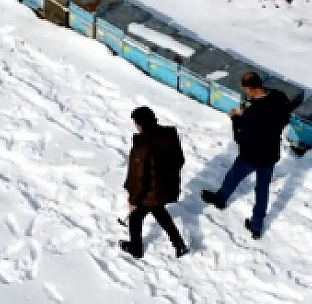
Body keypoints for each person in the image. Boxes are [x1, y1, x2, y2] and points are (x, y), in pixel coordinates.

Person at [201, 71, 297, 238]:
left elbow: (240, 137)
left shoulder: (253, 113)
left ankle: (221, 199)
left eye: (245, 89)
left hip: (252, 155)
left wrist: (236, 118)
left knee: (233, 176)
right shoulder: (278, 97)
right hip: (271, 152)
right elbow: (283, 118)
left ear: (250, 89)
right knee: (262, 189)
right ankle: (257, 225)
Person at [120, 106, 188, 260]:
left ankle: (135, 248)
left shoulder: (142, 147)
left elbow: (139, 178)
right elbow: (180, 160)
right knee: (159, 211)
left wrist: (133, 200)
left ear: (139, 124)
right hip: (166, 188)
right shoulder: (170, 135)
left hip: (150, 192)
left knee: (136, 218)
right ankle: (178, 244)